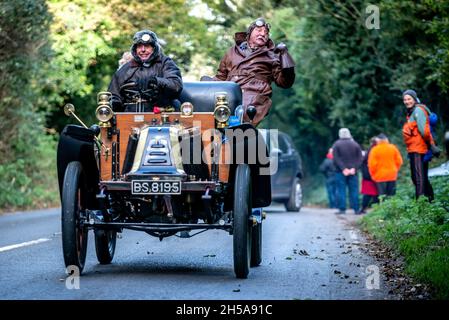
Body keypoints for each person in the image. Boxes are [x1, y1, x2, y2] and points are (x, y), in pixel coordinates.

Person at [207, 18, 296, 126]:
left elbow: (285, 82)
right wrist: (206, 85)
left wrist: (284, 57)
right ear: (249, 33)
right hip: (230, 94)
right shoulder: (231, 52)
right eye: (259, 30)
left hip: (254, 95)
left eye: (266, 33)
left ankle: (237, 133)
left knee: (240, 119)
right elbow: (221, 77)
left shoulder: (272, 56)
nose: (263, 34)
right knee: (208, 112)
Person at [108, 30, 183, 112]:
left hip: (161, 112)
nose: (143, 50)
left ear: (154, 48)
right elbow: (113, 93)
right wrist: (115, 103)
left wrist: (156, 81)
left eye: (147, 46)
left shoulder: (166, 63)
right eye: (139, 46)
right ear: (135, 49)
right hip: (130, 115)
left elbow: (176, 85)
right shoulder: (126, 69)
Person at [402, 89, 440, 201]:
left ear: (414, 99)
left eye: (409, 99)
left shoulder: (418, 110)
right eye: (405, 99)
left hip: (419, 149)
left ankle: (421, 205)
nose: (406, 101)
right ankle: (430, 200)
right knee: (419, 177)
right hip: (414, 148)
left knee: (418, 178)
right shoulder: (412, 111)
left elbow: (424, 131)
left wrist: (431, 145)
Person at [332, 128, 363, 214]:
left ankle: (342, 209)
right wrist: (354, 168)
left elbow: (335, 158)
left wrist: (343, 169)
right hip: (353, 172)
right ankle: (356, 209)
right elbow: (360, 158)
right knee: (354, 190)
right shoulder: (355, 144)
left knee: (341, 190)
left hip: (340, 172)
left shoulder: (336, 144)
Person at [358, 137, 379, 214]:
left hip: (367, 175)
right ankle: (375, 209)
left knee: (369, 193)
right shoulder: (374, 150)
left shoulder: (370, 150)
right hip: (370, 175)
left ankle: (363, 208)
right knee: (372, 193)